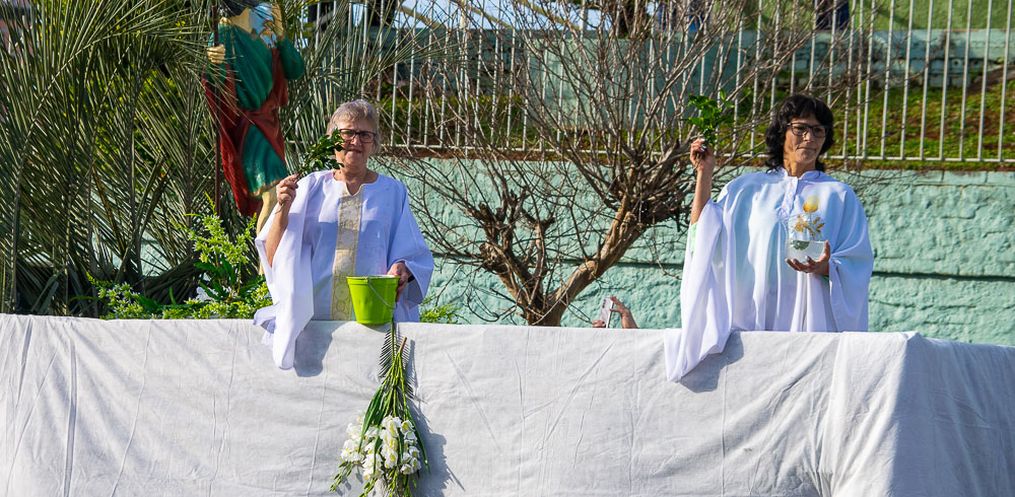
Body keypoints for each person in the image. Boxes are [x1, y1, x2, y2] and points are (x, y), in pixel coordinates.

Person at [666, 94, 874, 381]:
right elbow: (702, 236)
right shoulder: (745, 189)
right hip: (750, 322)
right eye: (801, 128)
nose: (810, 138)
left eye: (818, 131)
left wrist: (826, 267)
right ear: (781, 131)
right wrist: (705, 173)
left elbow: (858, 262)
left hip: (809, 326)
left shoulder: (839, 196)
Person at [254, 100, 434, 369]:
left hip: (373, 326)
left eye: (365, 134)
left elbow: (413, 254)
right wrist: (282, 207)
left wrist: (402, 268)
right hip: (314, 325)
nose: (356, 141)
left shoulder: (393, 193)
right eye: (348, 133)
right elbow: (274, 254)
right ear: (332, 140)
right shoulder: (309, 188)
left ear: (374, 143)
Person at [204, 0, 305, 233]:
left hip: (269, 125)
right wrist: (214, 64)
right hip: (249, 130)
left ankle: (267, 254)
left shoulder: (262, 30)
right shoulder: (222, 36)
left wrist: (280, 33)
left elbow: (295, 69)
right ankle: (266, 257)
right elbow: (218, 88)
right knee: (274, 194)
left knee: (277, 198)